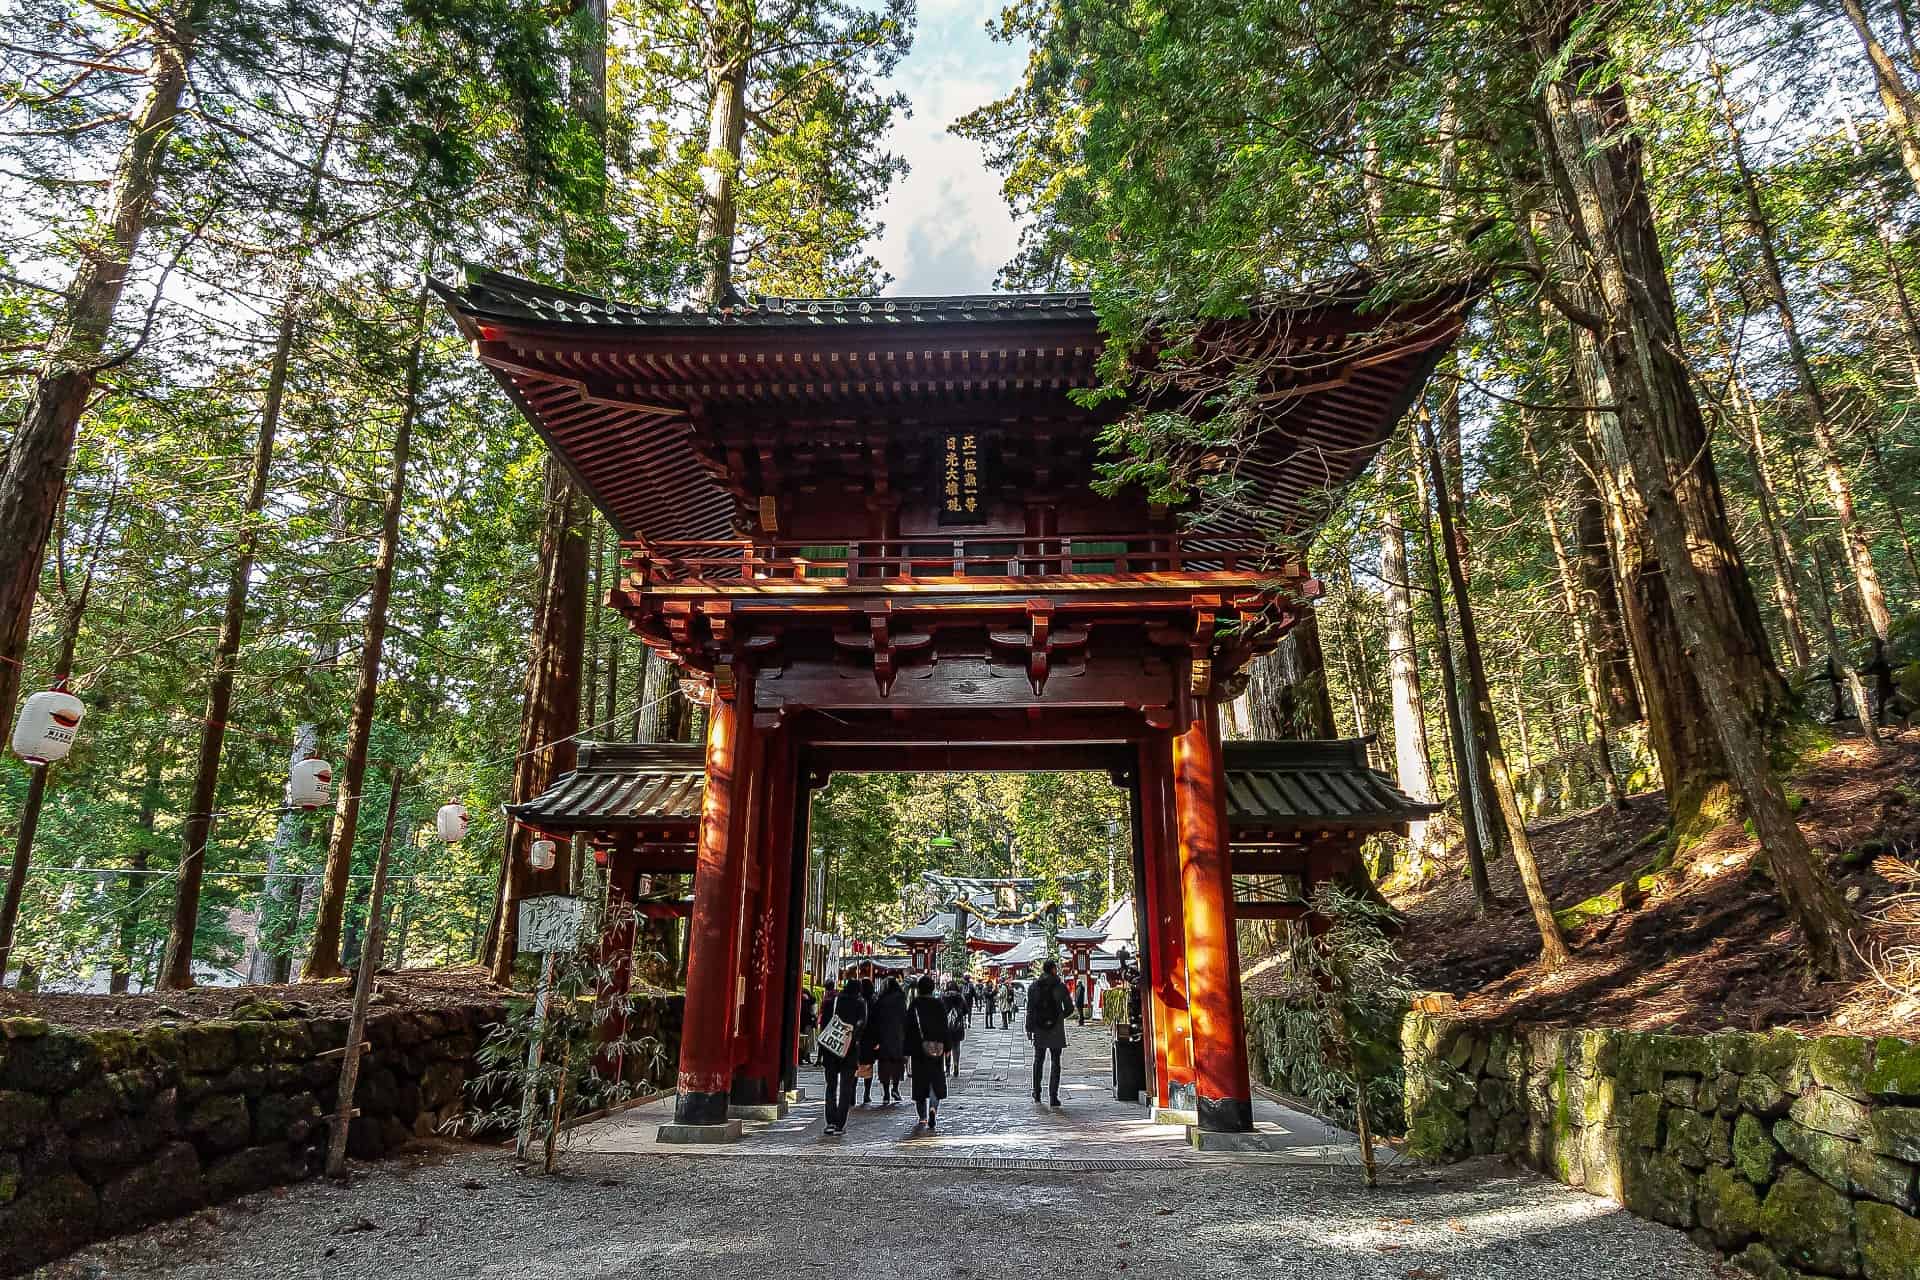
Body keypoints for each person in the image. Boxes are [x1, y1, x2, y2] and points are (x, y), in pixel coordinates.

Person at [820, 977, 868, 1135]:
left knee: (831, 1086)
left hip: (831, 1049)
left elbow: (824, 1025)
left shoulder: (833, 1002)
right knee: (846, 1088)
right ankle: (840, 1124)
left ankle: (830, 1122)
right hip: (850, 1050)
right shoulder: (860, 1004)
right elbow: (862, 1026)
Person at [906, 974, 949, 1131]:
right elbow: (945, 1028)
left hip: (918, 1050)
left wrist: (906, 1051)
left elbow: (908, 1028)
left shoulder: (914, 1005)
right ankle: (933, 1108)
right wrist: (948, 1047)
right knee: (935, 1082)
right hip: (936, 1049)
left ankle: (923, 1117)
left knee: (919, 1083)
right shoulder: (939, 1004)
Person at [1026, 959, 1072, 1106]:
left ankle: (1037, 1093)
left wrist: (1029, 1028)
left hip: (1039, 1028)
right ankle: (1053, 1096)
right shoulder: (1060, 987)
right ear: (1053, 969)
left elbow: (1030, 1010)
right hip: (1056, 1029)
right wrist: (1060, 1017)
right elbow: (1070, 1008)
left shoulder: (1034, 987)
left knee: (1038, 1060)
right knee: (1055, 1061)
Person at [869, 976, 909, 1104]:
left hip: (883, 1037)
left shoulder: (881, 1000)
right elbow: (905, 1018)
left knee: (884, 1065)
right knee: (897, 1063)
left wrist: (875, 1039)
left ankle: (886, 1093)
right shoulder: (901, 999)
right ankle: (895, 1088)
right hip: (898, 1037)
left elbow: (875, 1020)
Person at [941, 979, 968, 1076]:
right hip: (958, 1025)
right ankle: (956, 1065)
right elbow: (965, 1010)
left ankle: (947, 1068)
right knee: (956, 1046)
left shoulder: (943, 997)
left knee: (947, 1048)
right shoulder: (960, 996)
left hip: (946, 1026)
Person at [799, 987, 817, 1065]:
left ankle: (801, 1057)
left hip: (801, 1022)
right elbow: (813, 1012)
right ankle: (806, 1056)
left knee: (801, 1041)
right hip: (808, 1022)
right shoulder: (811, 999)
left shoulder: (799, 998)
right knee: (808, 1041)